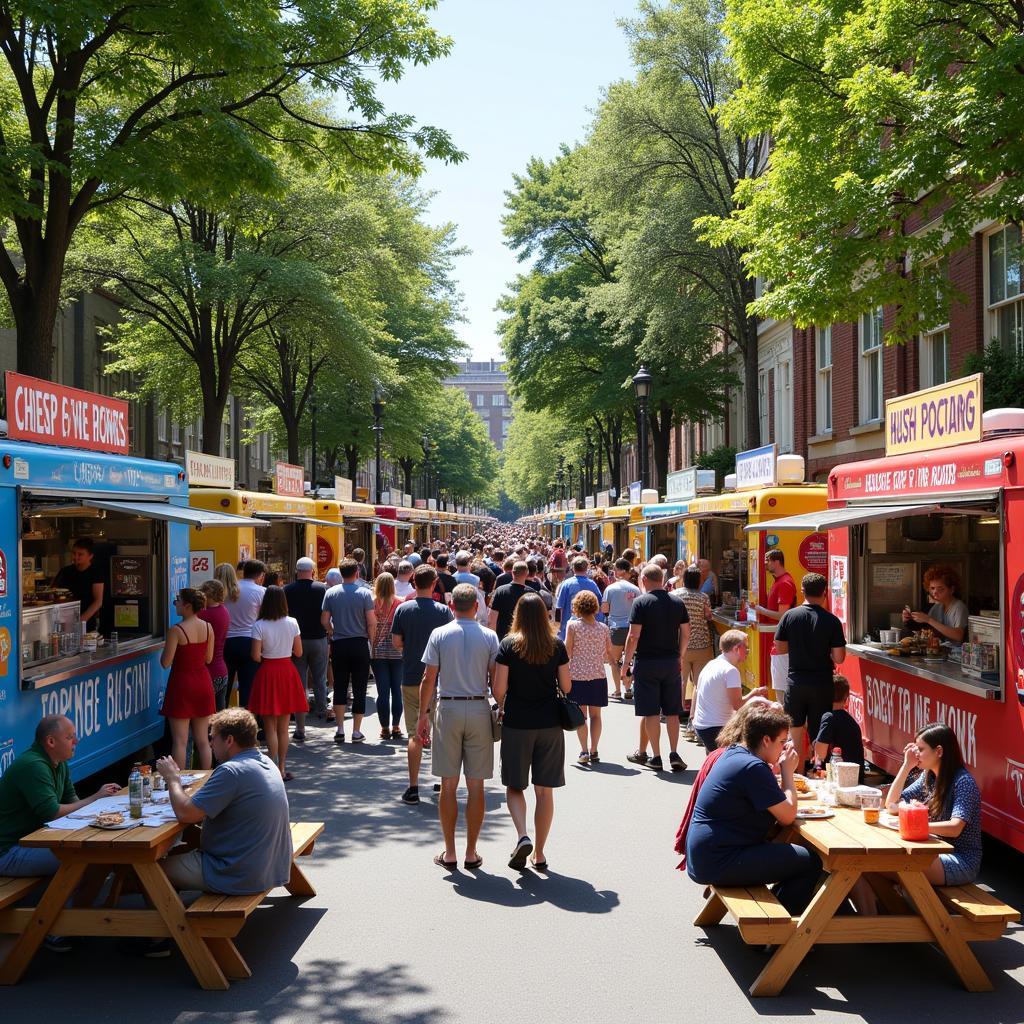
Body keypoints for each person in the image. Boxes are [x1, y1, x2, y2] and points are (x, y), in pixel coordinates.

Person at [685, 703, 822, 914]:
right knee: (810, 861)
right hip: (718, 860)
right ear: (766, 740)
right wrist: (787, 771)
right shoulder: (753, 767)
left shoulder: (734, 752)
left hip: (706, 855)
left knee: (788, 852)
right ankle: (776, 933)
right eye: (782, 742)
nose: (785, 748)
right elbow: (787, 816)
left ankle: (778, 919)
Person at [156, 708, 292, 898]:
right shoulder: (266, 761)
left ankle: (159, 922)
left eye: (213, 738)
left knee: (147, 869)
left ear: (229, 741)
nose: (210, 743)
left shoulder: (231, 771)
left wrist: (172, 778)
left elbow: (186, 814)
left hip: (235, 872)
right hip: (269, 866)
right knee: (175, 853)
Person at [850, 723, 983, 917]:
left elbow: (955, 828)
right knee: (860, 864)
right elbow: (892, 804)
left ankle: (875, 923)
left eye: (920, 749)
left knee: (867, 864)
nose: (916, 753)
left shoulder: (963, 782)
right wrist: (906, 766)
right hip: (930, 851)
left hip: (959, 860)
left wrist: (915, 825)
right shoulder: (928, 777)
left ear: (939, 751)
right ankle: (873, 921)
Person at [416, 583, 499, 871]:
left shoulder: (439, 634)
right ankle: (471, 851)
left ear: (453, 607)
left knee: (448, 784)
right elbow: (496, 678)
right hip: (478, 706)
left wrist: (423, 714)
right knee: (477, 786)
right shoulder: (490, 636)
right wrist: (501, 706)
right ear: (477, 606)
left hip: (448, 707)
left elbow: (429, 678)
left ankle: (450, 851)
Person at [492, 592, 571, 870]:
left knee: (515, 785)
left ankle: (522, 835)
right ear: (543, 615)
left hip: (517, 722)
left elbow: (499, 689)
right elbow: (568, 686)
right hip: (550, 723)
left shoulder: (508, 645)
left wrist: (500, 703)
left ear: (518, 616)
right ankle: (539, 852)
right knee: (544, 791)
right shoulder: (556, 644)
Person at [0, 716, 119, 878]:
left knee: (102, 851)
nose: (76, 741)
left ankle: (83, 902)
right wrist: (96, 797)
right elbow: (53, 812)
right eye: (70, 737)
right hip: (9, 852)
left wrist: (108, 814)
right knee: (92, 858)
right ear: (51, 742)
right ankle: (69, 903)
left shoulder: (59, 762)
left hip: (33, 842)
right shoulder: (34, 766)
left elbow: (74, 803)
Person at [392, 565, 455, 804]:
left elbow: (397, 641)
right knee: (439, 733)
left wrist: (410, 647)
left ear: (413, 582)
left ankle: (413, 786)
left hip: (411, 676)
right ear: (434, 582)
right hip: (439, 680)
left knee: (414, 734)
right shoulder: (443, 611)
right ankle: (440, 781)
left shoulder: (403, 609)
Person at [621, 564, 690, 772]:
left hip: (647, 662)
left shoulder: (640, 603)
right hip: (671, 662)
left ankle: (657, 756)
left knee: (650, 711)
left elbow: (634, 636)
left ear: (643, 579)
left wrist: (625, 665)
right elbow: (686, 633)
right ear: (662, 579)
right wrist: (680, 655)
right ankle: (674, 752)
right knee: (672, 712)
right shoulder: (677, 602)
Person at [774, 572, 846, 763]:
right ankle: (818, 772)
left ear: (803, 591)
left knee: (795, 732)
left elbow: (780, 648)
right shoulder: (832, 621)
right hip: (821, 684)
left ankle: (797, 776)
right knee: (819, 733)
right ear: (825, 592)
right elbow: (839, 658)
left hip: (796, 682)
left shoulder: (790, 616)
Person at [248, 586, 306, 780]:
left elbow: (255, 656)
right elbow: (299, 652)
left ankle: (272, 767)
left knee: (269, 726)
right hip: (287, 672)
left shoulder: (259, 625)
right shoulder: (292, 623)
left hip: (267, 672)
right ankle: (282, 767)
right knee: (283, 727)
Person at [160, 587, 216, 770]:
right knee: (203, 740)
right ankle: (207, 779)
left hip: (181, 685)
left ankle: (179, 782)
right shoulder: (208, 628)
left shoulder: (176, 631)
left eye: (178, 600)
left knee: (180, 741)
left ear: (187, 605)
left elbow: (165, 663)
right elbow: (208, 658)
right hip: (203, 682)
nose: (175, 603)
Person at [322, 558, 377, 744]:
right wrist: (371, 641)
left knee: (340, 686)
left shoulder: (331, 593)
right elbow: (371, 622)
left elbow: (324, 620)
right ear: (357, 573)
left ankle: (339, 729)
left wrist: (332, 631)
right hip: (359, 643)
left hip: (339, 644)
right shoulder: (364, 593)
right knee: (360, 687)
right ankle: (356, 731)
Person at [690, 630, 767, 753]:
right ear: (736, 648)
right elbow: (738, 705)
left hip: (703, 726)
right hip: (716, 728)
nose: (747, 651)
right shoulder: (731, 671)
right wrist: (755, 695)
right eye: (745, 648)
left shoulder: (712, 664)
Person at [283, 557, 329, 740]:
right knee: (320, 676)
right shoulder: (321, 589)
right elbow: (327, 614)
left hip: (297, 641)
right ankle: (321, 709)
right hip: (318, 638)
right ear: (313, 570)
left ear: (296, 570)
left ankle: (300, 712)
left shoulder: (288, 590)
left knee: (300, 680)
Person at [565, 590, 612, 765]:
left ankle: (584, 750)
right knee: (596, 716)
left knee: (581, 716)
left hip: (577, 675)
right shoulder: (604, 628)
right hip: (598, 675)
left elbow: (568, 651)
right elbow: (608, 653)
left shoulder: (573, 627)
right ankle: (594, 750)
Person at [676, 566, 715, 738]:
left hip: (681, 645)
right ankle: (694, 721)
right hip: (702, 646)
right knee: (700, 685)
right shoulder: (703, 597)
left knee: (681, 682)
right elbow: (708, 616)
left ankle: (676, 714)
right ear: (699, 581)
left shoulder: (675, 595)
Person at [223, 559, 266, 708]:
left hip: (226, 642)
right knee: (248, 686)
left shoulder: (229, 590)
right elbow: (264, 619)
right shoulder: (261, 592)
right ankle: (247, 724)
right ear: (260, 575)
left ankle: (219, 723)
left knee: (224, 687)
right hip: (250, 642)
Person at [756, 549, 797, 700]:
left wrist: (760, 610)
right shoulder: (778, 581)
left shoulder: (785, 583)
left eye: (767, 561)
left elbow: (782, 615)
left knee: (782, 691)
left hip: (782, 645)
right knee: (780, 689)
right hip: (778, 643)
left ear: (776, 562)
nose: (765, 564)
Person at [371, 570, 405, 740]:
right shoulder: (400, 603)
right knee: (397, 691)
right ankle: (396, 726)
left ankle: (384, 728)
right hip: (397, 651)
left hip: (377, 651)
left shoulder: (372, 604)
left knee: (382, 691)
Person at [602, 558, 641, 700]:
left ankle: (618, 691)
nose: (614, 571)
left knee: (614, 661)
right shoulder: (636, 589)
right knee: (630, 659)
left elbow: (605, 609)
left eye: (615, 569)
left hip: (616, 628)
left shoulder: (610, 589)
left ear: (621, 571)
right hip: (633, 628)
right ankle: (628, 687)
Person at [812, 675, 864, 782]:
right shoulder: (852, 722)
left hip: (840, 780)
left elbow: (820, 753)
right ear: (846, 697)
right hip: (855, 779)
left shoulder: (829, 717)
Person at [902, 564, 970, 644]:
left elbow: (959, 635)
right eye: (932, 588)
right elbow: (929, 630)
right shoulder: (937, 607)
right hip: (939, 652)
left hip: (956, 653)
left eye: (940, 589)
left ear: (951, 589)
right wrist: (908, 620)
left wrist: (929, 620)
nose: (935, 593)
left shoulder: (959, 607)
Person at [54, 536, 104, 628]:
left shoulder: (96, 573)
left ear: (90, 556)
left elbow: (98, 601)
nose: (75, 557)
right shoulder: (65, 571)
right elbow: (54, 592)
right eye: (73, 553)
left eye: (80, 554)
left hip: (86, 622)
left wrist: (81, 620)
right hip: (63, 620)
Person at [198, 578, 230, 712]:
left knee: (202, 716)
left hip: (207, 671)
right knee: (219, 717)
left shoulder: (203, 615)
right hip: (221, 670)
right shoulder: (224, 611)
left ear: (208, 595)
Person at [554, 556, 604, 641]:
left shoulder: (566, 584)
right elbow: (599, 605)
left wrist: (561, 628)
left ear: (573, 568)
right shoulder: (592, 584)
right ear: (586, 568)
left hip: (568, 627)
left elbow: (560, 607)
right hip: (588, 628)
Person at [489, 560, 530, 640]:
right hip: (525, 640)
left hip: (503, 638)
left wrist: (493, 640)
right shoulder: (532, 593)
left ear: (512, 573)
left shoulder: (500, 591)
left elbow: (492, 618)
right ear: (527, 573)